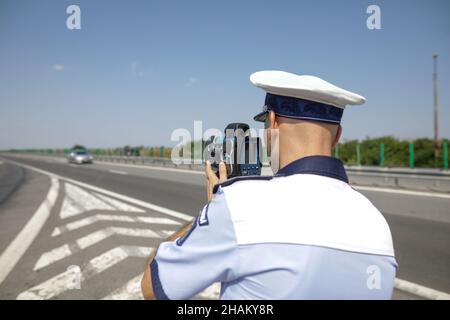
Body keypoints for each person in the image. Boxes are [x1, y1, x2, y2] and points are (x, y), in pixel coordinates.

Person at [141, 70, 398, 300]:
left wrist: (212, 211)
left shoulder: (239, 205)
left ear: (272, 122)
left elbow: (154, 288)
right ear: (338, 135)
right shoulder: (376, 223)